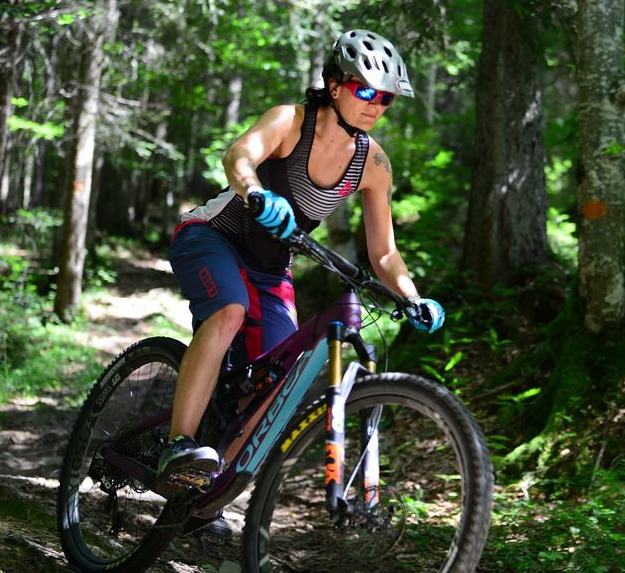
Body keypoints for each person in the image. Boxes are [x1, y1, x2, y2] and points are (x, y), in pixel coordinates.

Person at [159, 30, 445, 533]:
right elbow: (238, 156)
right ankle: (179, 444)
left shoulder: (373, 163)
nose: (376, 105)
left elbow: (383, 252)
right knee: (229, 311)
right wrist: (254, 192)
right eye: (366, 91)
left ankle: (207, 495)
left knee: (278, 378)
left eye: (386, 97)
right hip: (213, 236)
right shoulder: (290, 122)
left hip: (272, 268)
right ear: (335, 85)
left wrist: (413, 296)